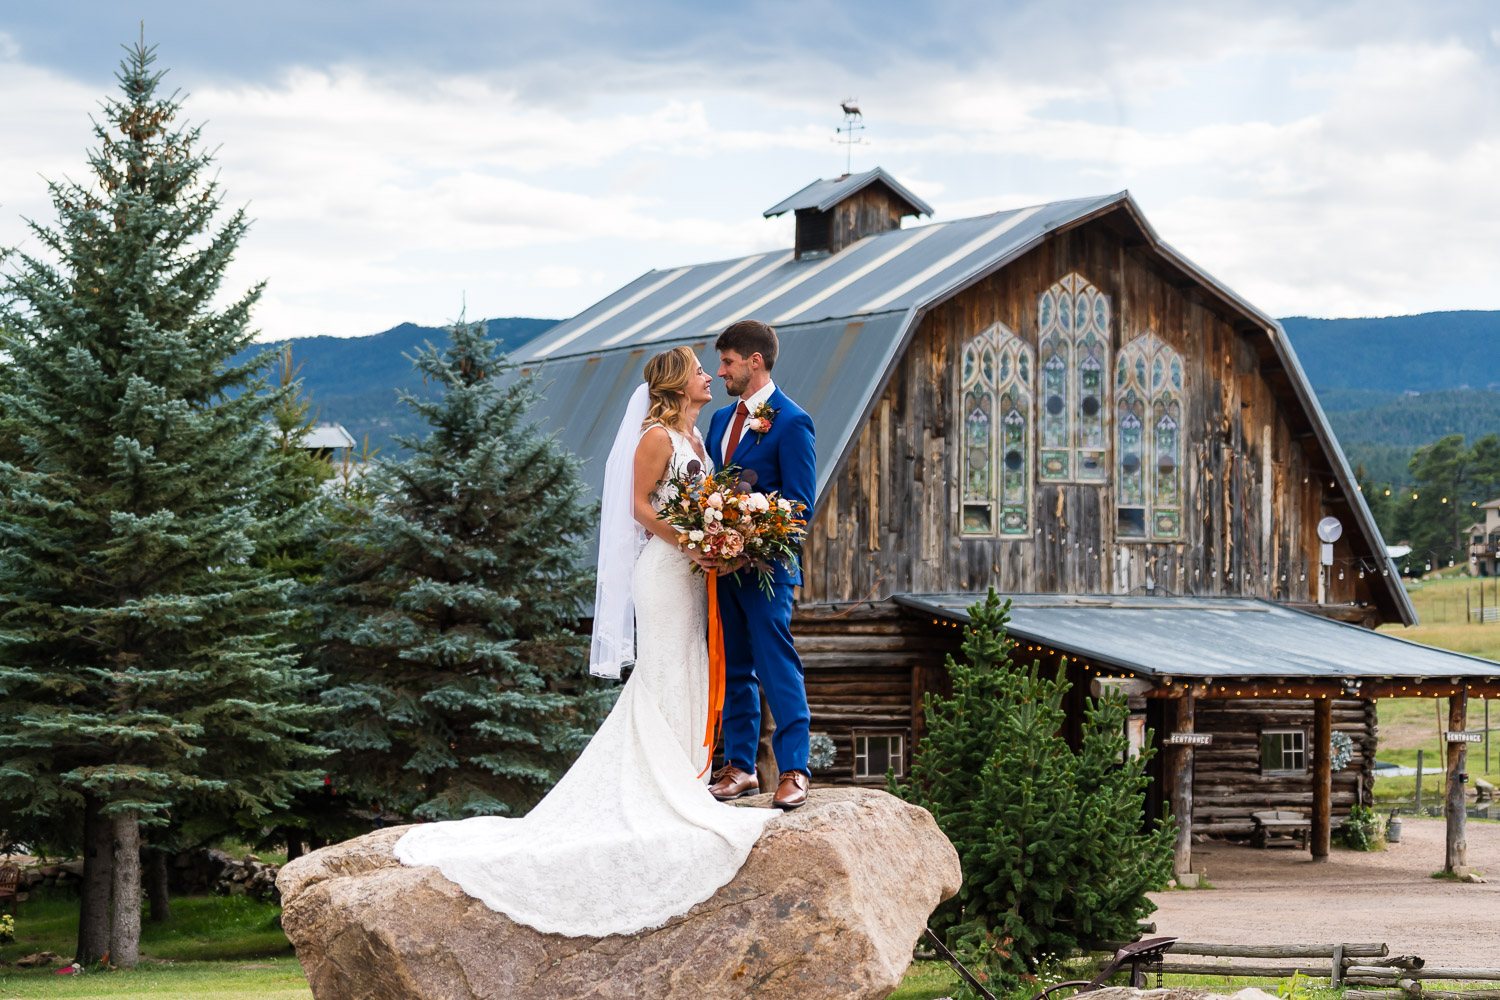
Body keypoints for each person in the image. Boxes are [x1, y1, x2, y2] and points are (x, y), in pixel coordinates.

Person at [392, 345, 776, 938]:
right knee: (666, 667)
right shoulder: (655, 438)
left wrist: (720, 538)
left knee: (691, 665)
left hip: (696, 575)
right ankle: (663, 783)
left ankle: (686, 774)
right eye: (700, 371)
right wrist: (690, 542)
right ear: (677, 386)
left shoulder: (697, 439)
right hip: (665, 573)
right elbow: (638, 507)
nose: (709, 377)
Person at [704, 320, 816, 810]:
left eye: (727, 362)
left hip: (767, 572)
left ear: (754, 362)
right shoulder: (718, 421)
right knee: (734, 669)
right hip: (720, 570)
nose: (720, 371)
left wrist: (749, 538)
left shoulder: (792, 421)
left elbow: (800, 504)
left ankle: (794, 769)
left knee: (777, 666)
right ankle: (742, 768)